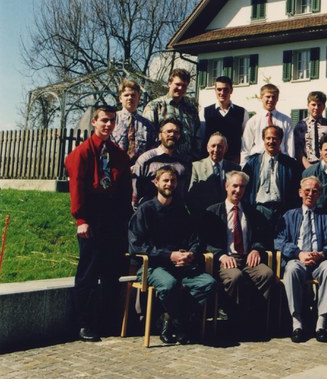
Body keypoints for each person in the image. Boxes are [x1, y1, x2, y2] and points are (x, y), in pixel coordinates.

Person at [64, 104, 132, 342]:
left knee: (112, 272)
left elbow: (125, 189)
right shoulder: (83, 152)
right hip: (91, 217)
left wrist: (124, 220)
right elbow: (77, 187)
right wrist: (81, 219)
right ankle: (84, 323)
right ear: (94, 122)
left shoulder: (118, 154)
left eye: (112, 120)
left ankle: (107, 321)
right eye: (104, 120)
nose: (108, 125)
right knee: (89, 273)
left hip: (113, 218)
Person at [128, 166, 217, 344]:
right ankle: (181, 325)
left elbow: (194, 239)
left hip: (181, 267)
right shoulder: (145, 210)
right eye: (166, 180)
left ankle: (170, 317)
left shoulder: (181, 210)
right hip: (153, 267)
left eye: (173, 181)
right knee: (170, 285)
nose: (169, 184)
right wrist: (169, 255)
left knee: (208, 283)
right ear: (156, 182)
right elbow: (138, 246)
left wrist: (190, 254)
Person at [203, 170, 275, 339]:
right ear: (227, 186)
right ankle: (234, 322)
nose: (238, 190)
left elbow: (260, 236)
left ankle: (253, 320)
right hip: (226, 259)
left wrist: (256, 249)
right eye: (234, 186)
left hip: (248, 257)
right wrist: (221, 255)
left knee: (267, 274)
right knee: (235, 277)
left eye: (242, 187)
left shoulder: (252, 212)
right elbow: (206, 241)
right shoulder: (213, 211)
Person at [275, 176, 327, 343]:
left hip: (321, 259)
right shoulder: (288, 216)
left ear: (319, 194)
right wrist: (298, 253)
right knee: (291, 270)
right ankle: (296, 323)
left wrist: (322, 254)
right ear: (300, 192)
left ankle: (321, 324)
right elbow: (279, 240)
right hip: (297, 259)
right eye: (307, 190)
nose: (310, 194)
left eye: (315, 191)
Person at [241, 125, 302, 244]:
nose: (271, 141)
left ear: (280, 140)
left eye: (275, 138)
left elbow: (295, 192)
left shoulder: (291, 165)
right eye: (268, 138)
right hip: (259, 210)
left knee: (281, 244)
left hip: (282, 211)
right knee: (260, 245)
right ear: (263, 140)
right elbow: (245, 190)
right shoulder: (252, 163)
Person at [142, 68, 202, 160]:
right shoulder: (155, 106)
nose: (180, 88)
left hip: (187, 161)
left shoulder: (191, 109)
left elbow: (197, 137)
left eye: (184, 86)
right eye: (177, 84)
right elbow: (146, 137)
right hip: (161, 161)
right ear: (169, 83)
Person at [132, 118, 192, 207]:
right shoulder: (146, 160)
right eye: (168, 131)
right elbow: (135, 190)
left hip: (176, 210)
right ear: (160, 135)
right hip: (150, 210)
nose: (172, 134)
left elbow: (186, 190)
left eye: (176, 132)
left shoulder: (185, 161)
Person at [187, 132, 240, 218]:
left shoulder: (235, 168)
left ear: (226, 149)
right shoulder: (196, 166)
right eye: (213, 146)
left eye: (220, 146)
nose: (216, 150)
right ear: (207, 148)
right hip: (205, 214)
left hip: (228, 215)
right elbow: (192, 195)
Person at [200, 76, 249, 164]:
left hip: (233, 162)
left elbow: (246, 141)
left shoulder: (242, 113)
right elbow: (201, 139)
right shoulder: (205, 112)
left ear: (231, 90)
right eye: (219, 89)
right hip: (211, 162)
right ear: (215, 90)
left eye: (226, 89)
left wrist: (242, 161)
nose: (222, 93)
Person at [241, 83, 293, 159]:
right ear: (261, 97)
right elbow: (245, 148)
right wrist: (244, 164)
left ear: (277, 99)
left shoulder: (286, 121)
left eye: (273, 97)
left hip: (281, 160)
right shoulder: (253, 121)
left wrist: (291, 163)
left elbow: (290, 147)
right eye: (268, 97)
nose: (271, 100)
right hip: (258, 160)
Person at [111, 79, 156, 166]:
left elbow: (152, 151)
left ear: (139, 97)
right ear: (120, 98)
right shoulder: (112, 119)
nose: (130, 98)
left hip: (139, 169)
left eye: (133, 95)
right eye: (126, 95)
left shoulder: (148, 125)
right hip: (115, 168)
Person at [292, 91, 327, 168]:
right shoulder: (301, 126)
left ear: (324, 106)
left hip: (326, 165)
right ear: (308, 105)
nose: (316, 108)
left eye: (319, 105)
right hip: (305, 166)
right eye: (313, 105)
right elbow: (298, 149)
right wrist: (308, 167)